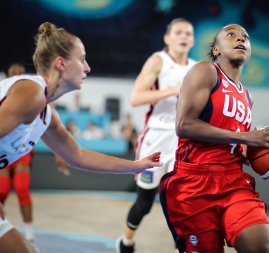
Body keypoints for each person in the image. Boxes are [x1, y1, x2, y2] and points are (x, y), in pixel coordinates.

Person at [0, 22, 162, 253]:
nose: (87, 67)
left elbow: (78, 156)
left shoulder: (47, 114)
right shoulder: (31, 93)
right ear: (61, 63)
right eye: (82, 59)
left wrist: (135, 166)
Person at [159, 24, 269, 253]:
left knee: (262, 245)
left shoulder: (247, 95)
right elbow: (184, 125)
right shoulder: (205, 71)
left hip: (233, 182)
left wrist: (263, 156)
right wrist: (246, 137)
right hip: (194, 183)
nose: (240, 39)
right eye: (231, 35)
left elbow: (235, 143)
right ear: (216, 49)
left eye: (245, 37)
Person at [116, 18, 196, 253]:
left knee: (181, 203)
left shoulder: (197, 67)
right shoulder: (158, 61)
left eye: (188, 33)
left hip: (182, 140)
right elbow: (136, 97)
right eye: (178, 32)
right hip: (156, 139)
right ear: (167, 38)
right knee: (145, 203)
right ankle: (126, 241)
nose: (183, 37)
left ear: (192, 40)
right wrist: (173, 90)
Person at [0, 63, 38, 247]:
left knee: (22, 187)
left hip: (21, 149)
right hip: (3, 150)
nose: (16, 75)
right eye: (12, 73)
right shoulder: (2, 92)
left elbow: (47, 125)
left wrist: (59, 154)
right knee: (2, 189)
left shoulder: (32, 93)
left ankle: (29, 233)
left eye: (19, 74)